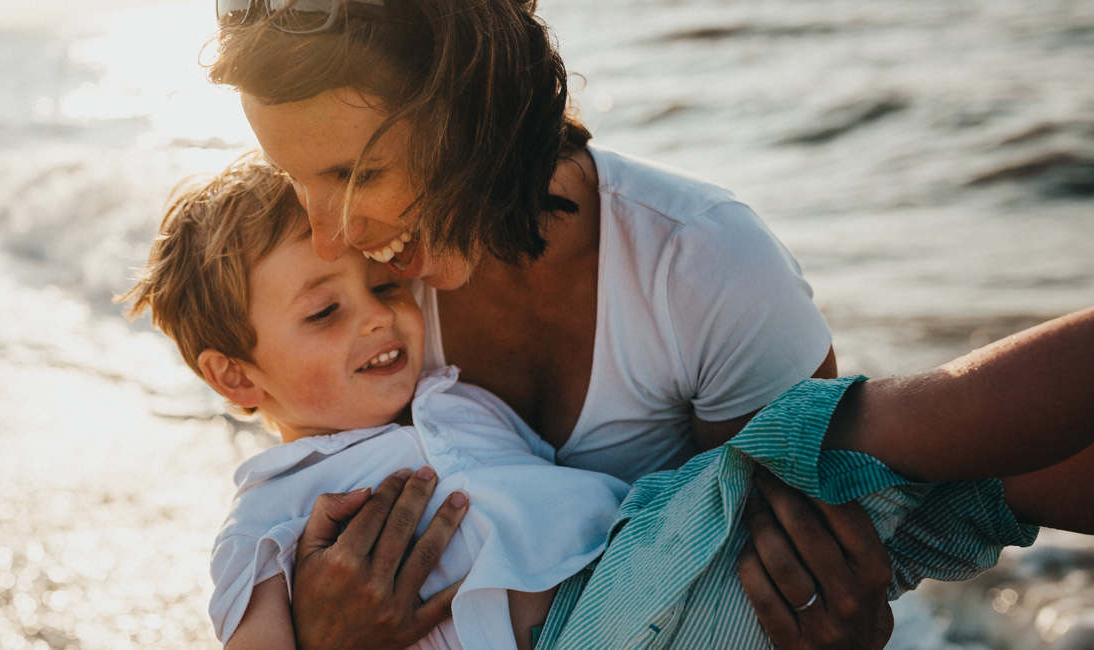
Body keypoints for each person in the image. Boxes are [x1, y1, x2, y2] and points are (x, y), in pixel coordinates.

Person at [121, 159, 1094, 650]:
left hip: (661, 578)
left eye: (380, 287)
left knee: (973, 486)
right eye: (325, 311)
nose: (380, 319)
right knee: (856, 434)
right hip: (596, 622)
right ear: (237, 378)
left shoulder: (453, 396)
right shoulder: (271, 511)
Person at [204, 0, 894, 647]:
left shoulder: (704, 268)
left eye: (359, 174)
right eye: (295, 177)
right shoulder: (367, 297)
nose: (330, 235)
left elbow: (816, 559)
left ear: (473, 117)